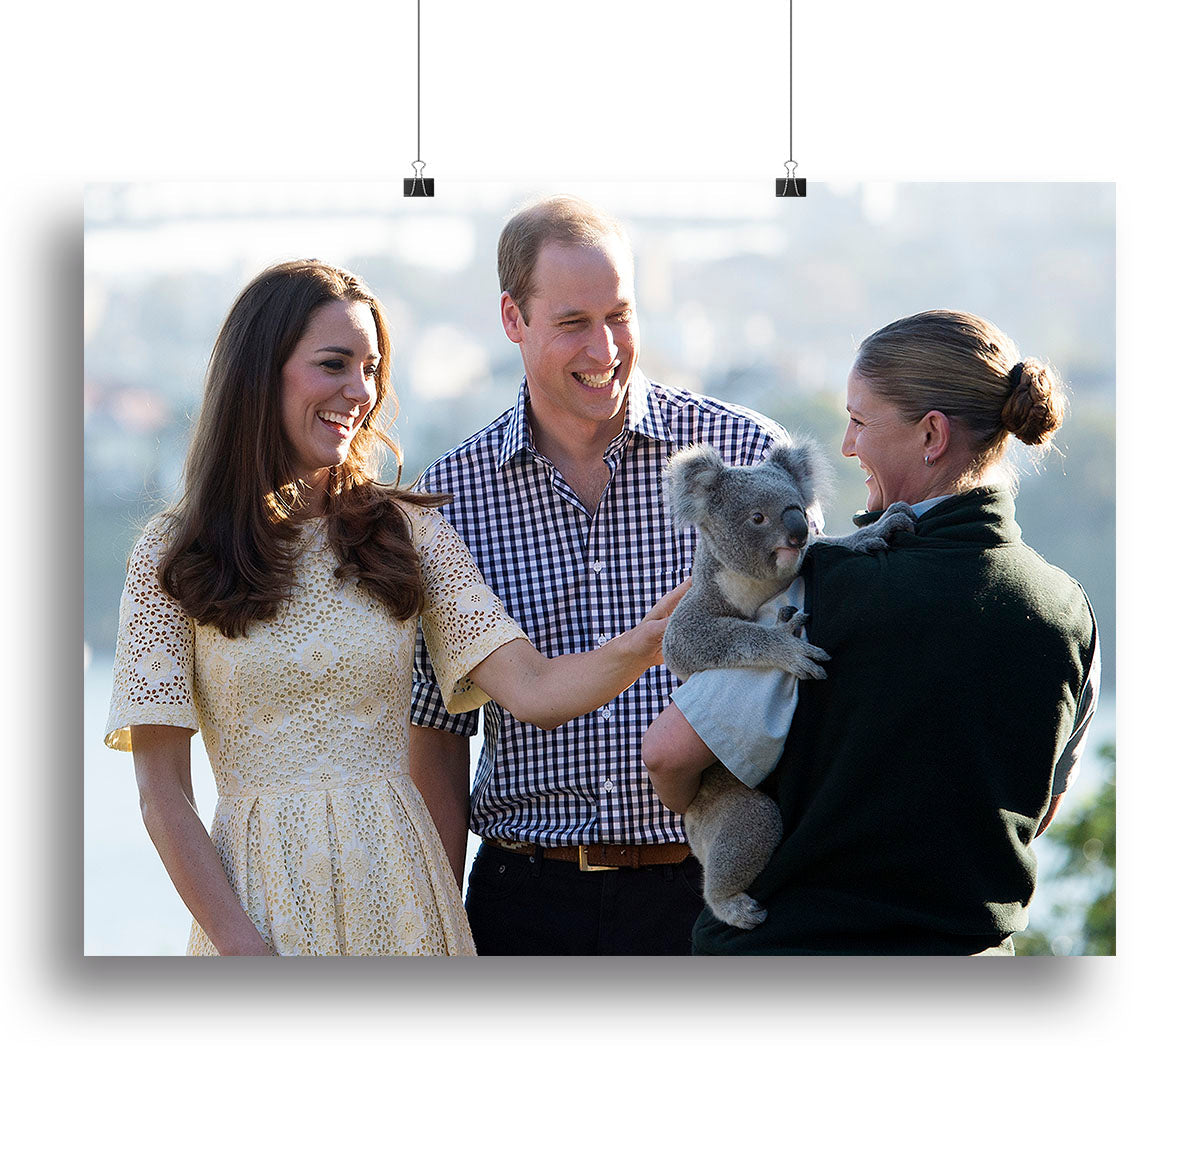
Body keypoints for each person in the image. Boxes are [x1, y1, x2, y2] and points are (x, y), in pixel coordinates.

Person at [104, 259, 682, 956]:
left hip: (405, 904)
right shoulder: (173, 554)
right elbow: (162, 794)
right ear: (260, 372)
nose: (360, 391)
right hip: (258, 907)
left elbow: (532, 688)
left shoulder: (408, 533)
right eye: (333, 364)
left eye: (372, 369)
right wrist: (240, 946)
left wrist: (647, 643)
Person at [643, 309, 1101, 955]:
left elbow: (668, 753)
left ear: (932, 435)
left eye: (859, 422)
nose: (848, 446)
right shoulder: (1071, 613)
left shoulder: (819, 589)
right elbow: (1040, 809)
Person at [409, 195, 786, 955]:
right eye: (573, 323)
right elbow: (439, 741)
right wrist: (435, 940)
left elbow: (813, 670)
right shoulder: (449, 501)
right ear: (513, 320)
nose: (605, 347)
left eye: (619, 315)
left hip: (712, 890)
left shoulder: (742, 454)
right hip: (527, 901)